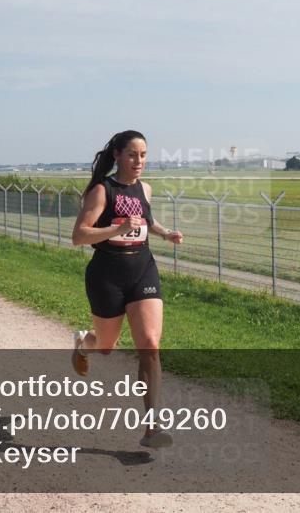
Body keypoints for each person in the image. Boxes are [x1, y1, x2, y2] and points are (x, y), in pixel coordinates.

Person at [70, 130, 183, 449]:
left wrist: (165, 234)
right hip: (107, 274)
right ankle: (84, 343)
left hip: (142, 269)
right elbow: (79, 236)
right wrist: (117, 229)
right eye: (133, 155)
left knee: (149, 343)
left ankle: (152, 427)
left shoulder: (144, 188)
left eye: (144, 155)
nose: (139, 161)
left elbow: (145, 220)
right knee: (105, 346)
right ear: (117, 155)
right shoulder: (102, 191)